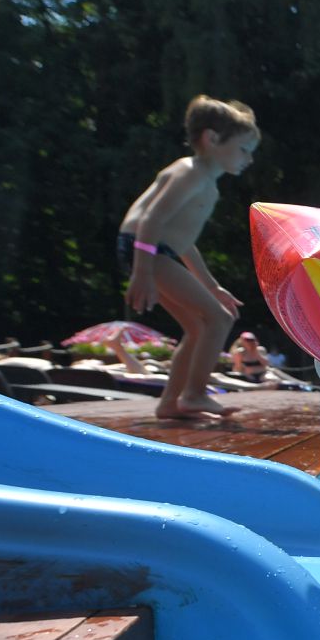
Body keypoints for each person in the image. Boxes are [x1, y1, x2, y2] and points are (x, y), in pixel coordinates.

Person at [119, 95, 259, 420]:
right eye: (243, 149)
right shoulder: (191, 172)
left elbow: (184, 244)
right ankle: (194, 394)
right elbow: (150, 220)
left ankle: (171, 402)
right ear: (211, 139)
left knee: (198, 327)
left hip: (154, 250)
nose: (248, 159)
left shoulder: (207, 186)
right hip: (145, 248)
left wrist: (212, 287)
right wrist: (142, 272)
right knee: (219, 320)